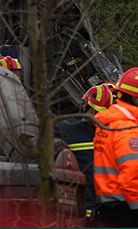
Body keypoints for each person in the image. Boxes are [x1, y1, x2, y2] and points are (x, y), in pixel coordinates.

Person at [93, 67, 138, 227]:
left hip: (108, 205)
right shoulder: (128, 131)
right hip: (128, 210)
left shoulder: (108, 124)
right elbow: (130, 177)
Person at [55, 83, 116, 222]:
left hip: (104, 208)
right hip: (74, 207)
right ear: (85, 107)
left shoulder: (112, 133)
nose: (100, 119)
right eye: (97, 113)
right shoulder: (65, 129)